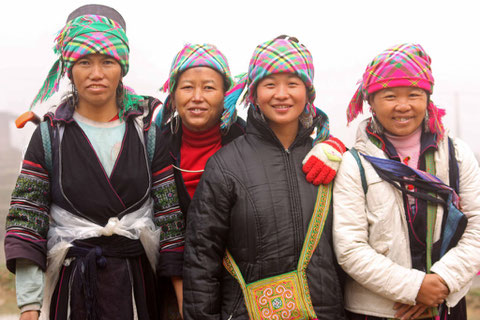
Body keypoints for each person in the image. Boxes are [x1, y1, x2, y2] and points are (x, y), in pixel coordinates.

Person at [4, 5, 183, 319]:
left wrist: (181, 304)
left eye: (107, 61)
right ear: (68, 68)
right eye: (84, 61)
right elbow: (27, 219)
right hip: (74, 289)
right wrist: (29, 306)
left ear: (122, 67)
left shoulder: (147, 131)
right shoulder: (49, 136)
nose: (96, 73)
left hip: (138, 289)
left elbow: (169, 218)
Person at [182, 35, 346, 320]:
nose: (281, 94)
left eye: (293, 84)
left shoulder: (328, 161)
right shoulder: (225, 165)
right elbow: (201, 258)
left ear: (308, 92)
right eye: (270, 84)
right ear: (254, 93)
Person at [333, 43, 480, 320]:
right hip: (376, 310)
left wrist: (442, 282)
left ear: (428, 99)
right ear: (371, 102)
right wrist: (414, 288)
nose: (403, 106)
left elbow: (476, 228)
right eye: (389, 96)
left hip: (445, 304)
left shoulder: (457, 156)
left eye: (414, 94)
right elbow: (350, 247)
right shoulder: (355, 164)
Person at [154, 43, 246, 319]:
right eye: (187, 87)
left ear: (225, 95)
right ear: (173, 94)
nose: (197, 97)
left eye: (208, 88)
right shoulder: (158, 147)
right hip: (173, 289)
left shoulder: (248, 141)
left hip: (241, 288)